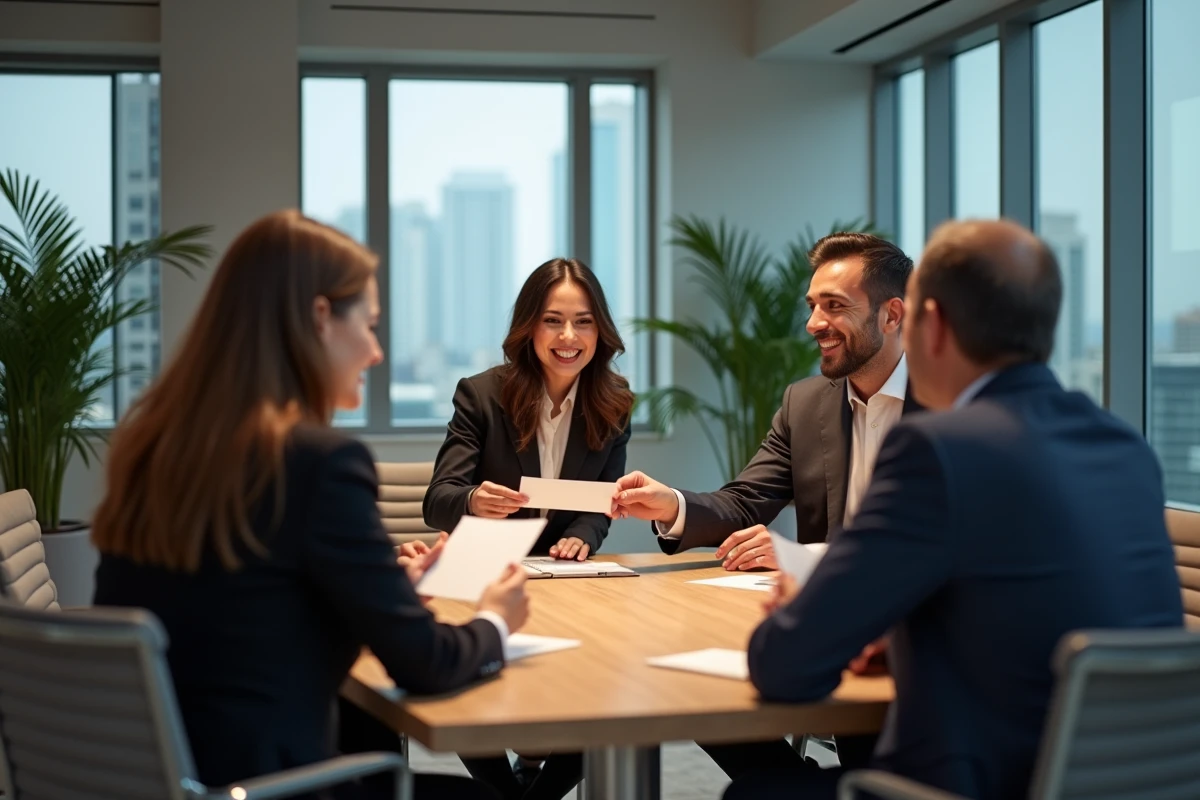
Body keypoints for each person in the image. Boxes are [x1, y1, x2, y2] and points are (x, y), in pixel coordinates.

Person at [723, 219, 1185, 800]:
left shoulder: (937, 448)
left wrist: (803, 605)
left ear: (928, 325)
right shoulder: (1123, 448)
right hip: (1129, 781)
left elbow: (785, 666)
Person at [91, 210, 528, 800]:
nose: (375, 352)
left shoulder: (153, 448)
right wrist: (497, 619)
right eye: (369, 325)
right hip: (273, 784)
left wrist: (385, 587)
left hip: (162, 776)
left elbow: (240, 608)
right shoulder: (320, 461)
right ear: (320, 318)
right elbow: (425, 664)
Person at [610, 232, 917, 779]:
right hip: (830, 633)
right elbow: (746, 500)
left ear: (892, 315)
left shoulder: (950, 408)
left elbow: (929, 547)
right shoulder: (807, 403)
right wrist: (670, 504)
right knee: (693, 691)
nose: (814, 324)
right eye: (813, 306)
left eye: (835, 306)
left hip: (913, 649)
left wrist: (808, 555)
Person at [422, 257, 634, 799]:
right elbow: (438, 501)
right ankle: (505, 790)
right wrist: (474, 498)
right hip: (490, 581)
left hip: (569, 582)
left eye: (584, 321)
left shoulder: (614, 401)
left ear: (600, 330)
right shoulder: (481, 395)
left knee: (614, 682)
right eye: (552, 320)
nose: (569, 337)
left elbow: (600, 502)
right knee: (466, 683)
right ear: (528, 327)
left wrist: (585, 535)